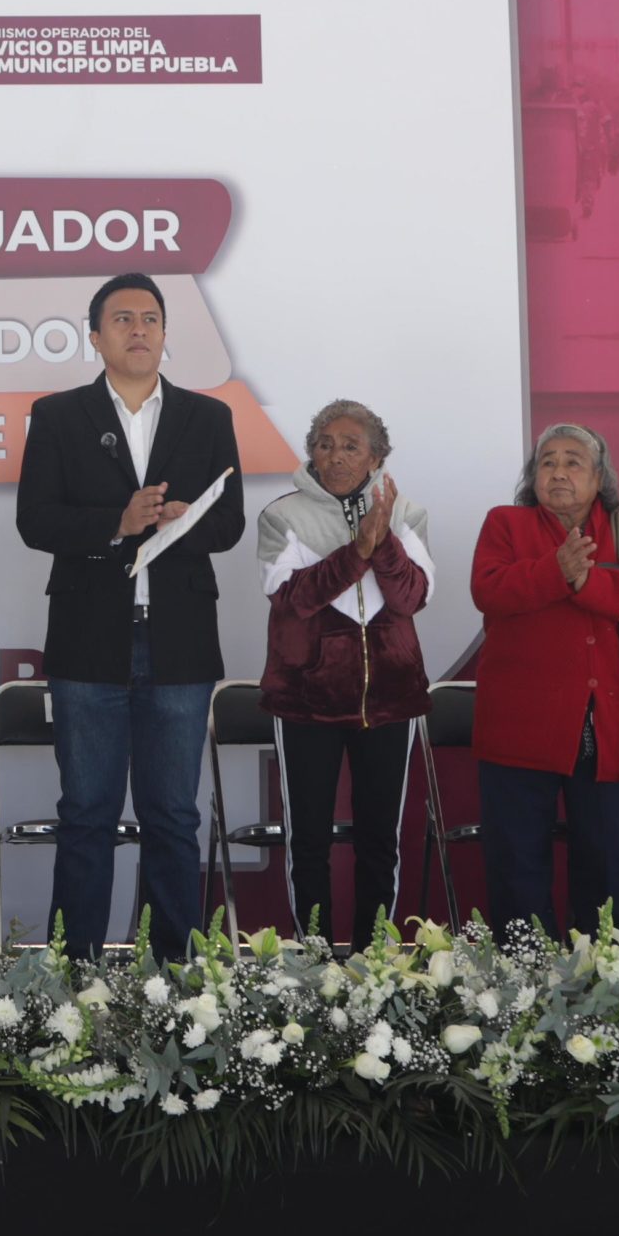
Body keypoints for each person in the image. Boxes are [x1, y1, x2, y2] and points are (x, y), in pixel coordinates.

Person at [16, 272, 246, 961]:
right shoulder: (59, 416)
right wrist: (117, 523)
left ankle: (174, 973)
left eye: (151, 318)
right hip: (90, 640)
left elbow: (229, 522)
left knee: (173, 816)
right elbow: (35, 520)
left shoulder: (209, 418)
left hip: (178, 640)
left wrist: (181, 523)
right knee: (87, 814)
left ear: (166, 334)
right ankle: (74, 972)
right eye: (122, 319)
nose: (139, 329)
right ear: (95, 336)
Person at [469, 423, 619, 936]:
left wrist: (583, 578)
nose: (558, 471)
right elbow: (489, 591)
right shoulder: (506, 525)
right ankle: (524, 984)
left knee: (607, 867)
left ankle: (603, 977)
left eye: (572, 461)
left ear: (599, 476)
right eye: (547, 462)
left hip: (604, 729)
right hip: (518, 730)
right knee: (517, 867)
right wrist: (554, 570)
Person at [255, 400, 434, 949]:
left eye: (351, 446)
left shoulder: (405, 511)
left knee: (380, 839)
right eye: (325, 444)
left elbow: (412, 595)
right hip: (305, 701)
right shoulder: (280, 514)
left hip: (389, 699)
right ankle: (312, 961)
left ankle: (374, 960)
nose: (335, 456)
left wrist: (384, 544)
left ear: (376, 456)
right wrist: (357, 552)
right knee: (306, 839)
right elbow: (292, 599)